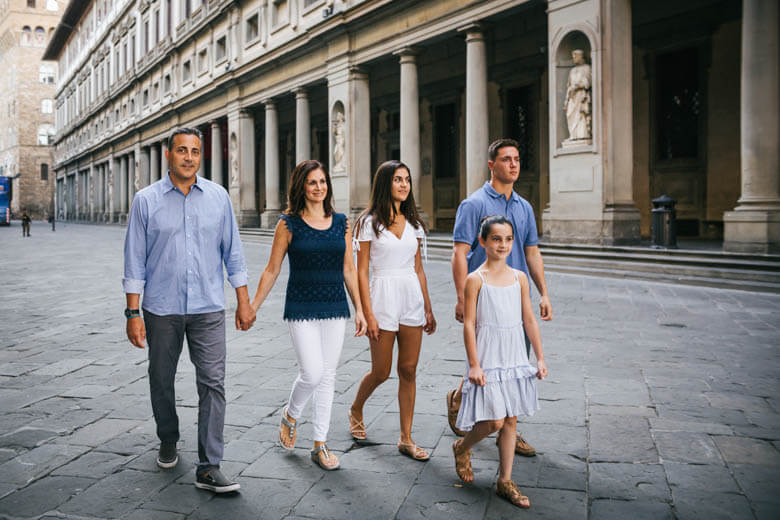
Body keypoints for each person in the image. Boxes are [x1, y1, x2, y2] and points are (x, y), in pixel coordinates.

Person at [123, 127, 255, 493]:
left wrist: (243, 299)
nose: (189, 157)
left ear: (201, 156)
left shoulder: (218, 197)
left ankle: (209, 465)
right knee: (161, 378)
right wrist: (132, 313)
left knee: (213, 383)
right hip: (161, 310)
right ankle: (168, 436)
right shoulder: (145, 200)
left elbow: (234, 253)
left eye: (195, 151)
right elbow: (134, 259)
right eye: (182, 150)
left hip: (209, 308)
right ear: (169, 155)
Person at [250, 159, 367, 471]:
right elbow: (272, 269)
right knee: (312, 372)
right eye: (313, 182)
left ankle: (320, 444)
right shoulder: (288, 224)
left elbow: (349, 270)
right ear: (301, 186)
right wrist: (252, 306)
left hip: (334, 306)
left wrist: (360, 311)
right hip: (301, 306)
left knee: (328, 376)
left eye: (323, 182)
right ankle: (291, 414)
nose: (319, 187)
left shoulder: (341, 222)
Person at [447, 138, 552, 457]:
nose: (514, 164)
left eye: (517, 159)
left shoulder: (525, 207)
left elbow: (532, 252)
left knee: (516, 365)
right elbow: (459, 253)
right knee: (484, 362)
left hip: (516, 297)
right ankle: (462, 399)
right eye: (506, 159)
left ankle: (510, 428)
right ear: (492, 165)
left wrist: (544, 292)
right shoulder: (474, 204)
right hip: (483, 299)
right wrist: (462, 298)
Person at [452, 215, 548, 509]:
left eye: (508, 239)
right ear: (482, 242)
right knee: (493, 420)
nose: (503, 245)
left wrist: (540, 358)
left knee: (510, 420)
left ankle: (505, 480)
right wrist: (474, 364)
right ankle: (462, 446)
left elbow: (528, 319)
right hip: (489, 355)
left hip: (514, 354)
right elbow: (469, 324)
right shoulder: (474, 280)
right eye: (496, 239)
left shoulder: (519, 277)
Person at [348, 160, 436, 460]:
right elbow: (361, 273)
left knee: (408, 369)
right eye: (398, 179)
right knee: (382, 370)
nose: (404, 185)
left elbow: (419, 269)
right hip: (382, 296)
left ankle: (406, 438)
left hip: (410, 295)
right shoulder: (367, 222)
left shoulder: (415, 223)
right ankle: (356, 407)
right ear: (385, 183)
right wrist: (367, 313)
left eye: (407, 180)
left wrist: (428, 306)